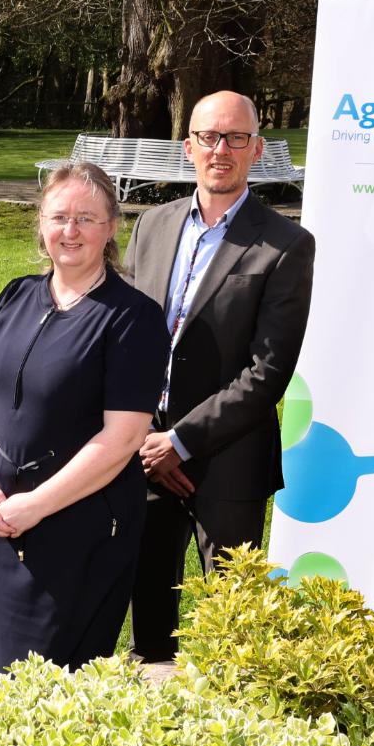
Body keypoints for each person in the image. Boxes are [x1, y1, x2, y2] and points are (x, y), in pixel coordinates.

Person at [126, 90, 315, 661]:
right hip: (144, 456)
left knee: (233, 635)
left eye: (236, 137)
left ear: (257, 149)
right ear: (189, 147)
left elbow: (268, 371)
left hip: (229, 462)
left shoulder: (287, 244)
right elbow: (124, 339)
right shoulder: (152, 225)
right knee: (148, 629)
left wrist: (180, 442)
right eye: (209, 136)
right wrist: (145, 437)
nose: (221, 150)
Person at [0, 163, 168, 673]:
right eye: (59, 217)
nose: (70, 230)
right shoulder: (15, 295)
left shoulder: (132, 318)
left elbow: (123, 438)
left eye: (86, 218)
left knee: (53, 684)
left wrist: (36, 506)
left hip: (80, 530)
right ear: (41, 223)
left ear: (111, 227)